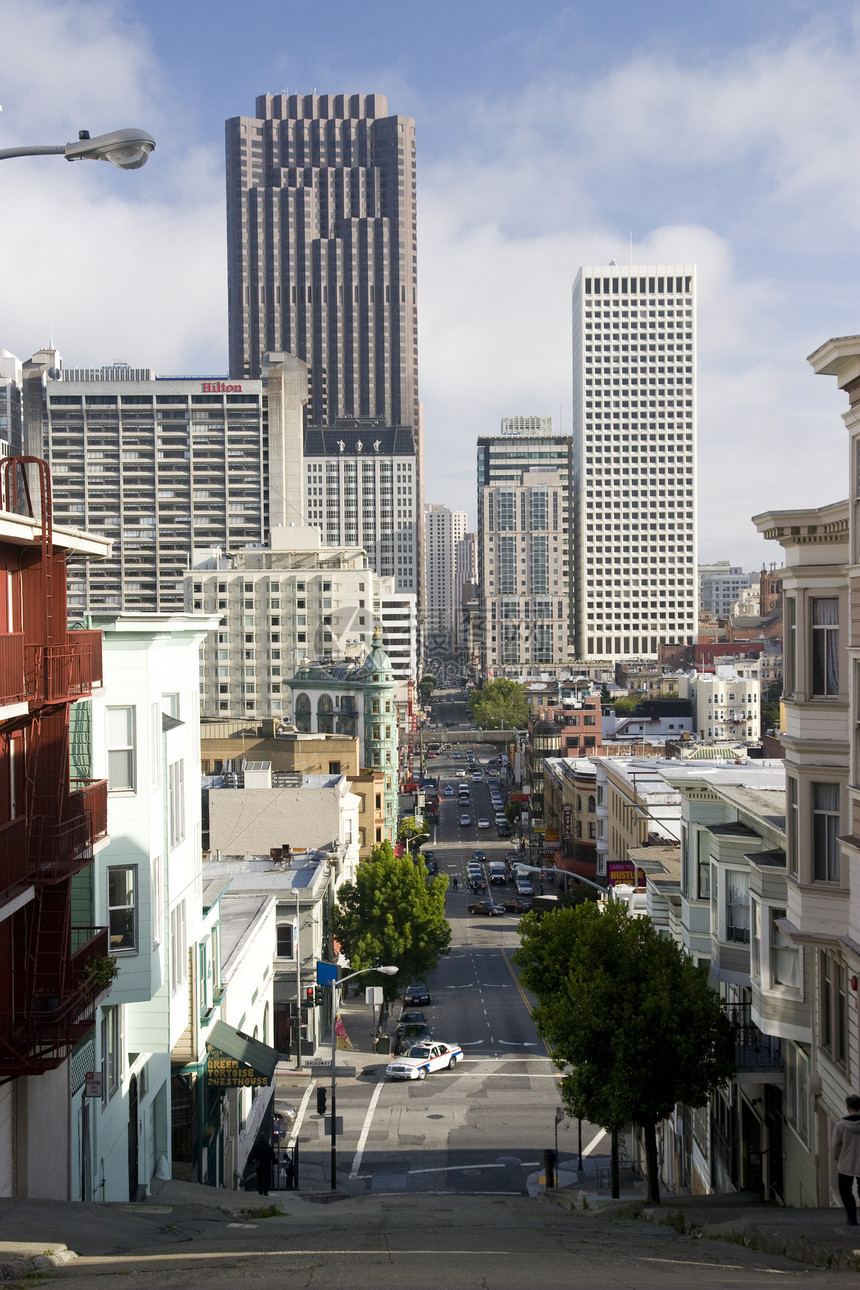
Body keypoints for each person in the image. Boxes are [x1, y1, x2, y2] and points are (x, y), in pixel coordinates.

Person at [832, 1094, 860, 1225]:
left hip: (845, 1163)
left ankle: (852, 1218)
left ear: (848, 1107)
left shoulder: (841, 1125)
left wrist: (837, 1158)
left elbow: (836, 1145)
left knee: (845, 1191)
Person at [248, 1132, 276, 1197]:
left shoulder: (256, 1146)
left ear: (259, 1138)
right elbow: (273, 1156)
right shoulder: (268, 1146)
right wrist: (274, 1161)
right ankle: (266, 1192)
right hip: (267, 1165)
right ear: (265, 1138)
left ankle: (260, 1191)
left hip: (259, 1164)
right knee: (267, 1179)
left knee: (260, 1179)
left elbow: (251, 1156)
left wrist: (250, 1162)